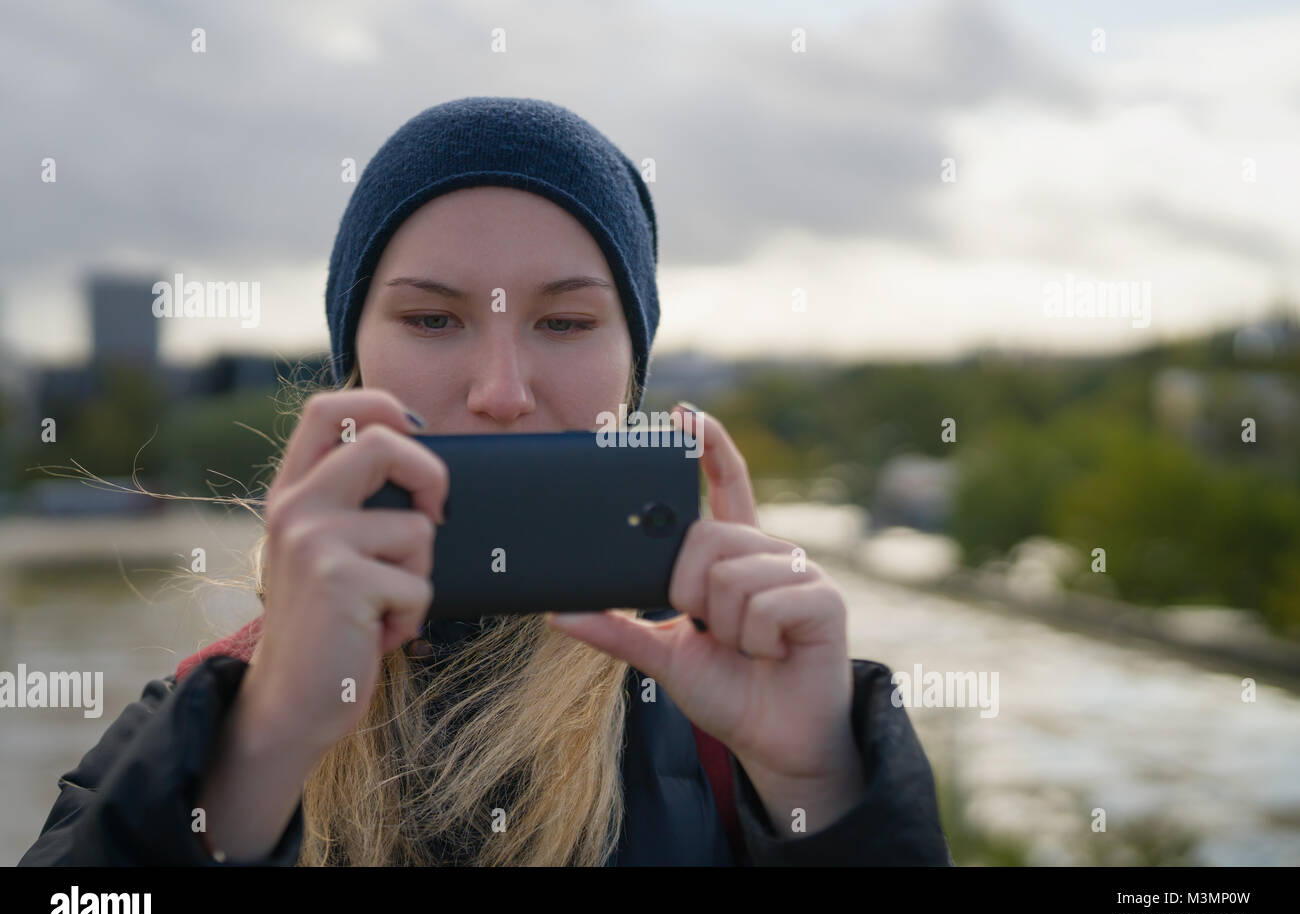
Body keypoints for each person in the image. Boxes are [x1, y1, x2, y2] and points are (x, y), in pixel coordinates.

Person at [19, 96, 953, 866]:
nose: (500, 392)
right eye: (432, 320)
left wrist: (821, 793)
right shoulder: (208, 711)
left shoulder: (743, 713)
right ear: (354, 370)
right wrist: (256, 753)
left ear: (633, 375)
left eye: (567, 322)